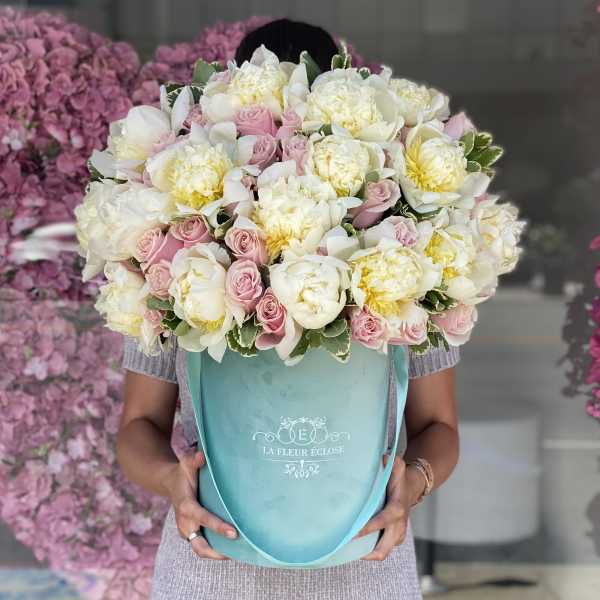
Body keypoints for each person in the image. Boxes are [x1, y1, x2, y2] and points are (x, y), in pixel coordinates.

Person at [116, 20, 461, 600]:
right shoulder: (181, 256)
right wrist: (172, 481)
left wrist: (413, 484)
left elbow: (439, 428)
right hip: (211, 568)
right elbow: (138, 428)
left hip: (364, 565)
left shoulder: (402, 259)